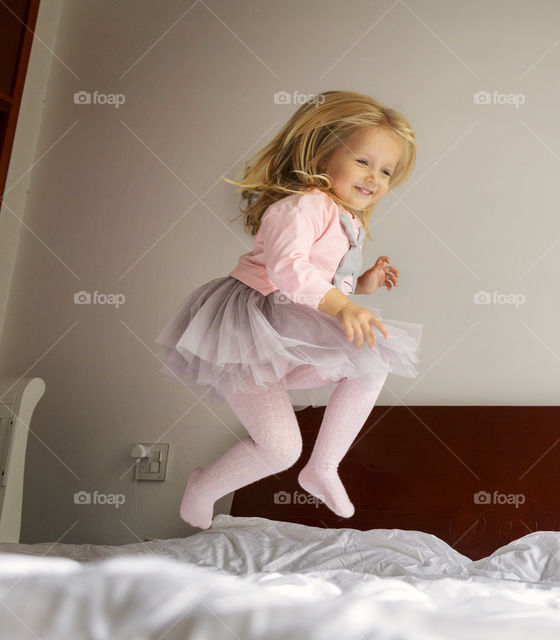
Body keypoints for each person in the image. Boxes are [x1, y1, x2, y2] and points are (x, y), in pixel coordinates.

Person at [154, 90, 422, 528]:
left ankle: (323, 467)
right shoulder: (301, 206)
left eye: (386, 170)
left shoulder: (346, 218)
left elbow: (324, 279)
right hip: (249, 327)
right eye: (363, 161)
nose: (375, 177)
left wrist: (362, 287)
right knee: (280, 449)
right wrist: (342, 307)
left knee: (371, 361)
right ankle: (203, 487)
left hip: (288, 328)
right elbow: (288, 267)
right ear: (323, 158)